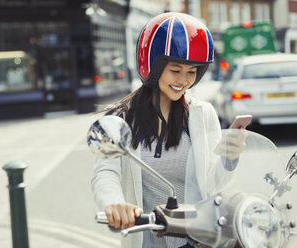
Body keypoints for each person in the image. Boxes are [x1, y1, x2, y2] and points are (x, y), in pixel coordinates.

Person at [91, 12, 244, 248]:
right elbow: (106, 173)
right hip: (146, 239)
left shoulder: (202, 115)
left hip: (197, 239)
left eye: (192, 71)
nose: (183, 80)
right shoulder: (121, 118)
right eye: (175, 69)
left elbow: (214, 185)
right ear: (153, 65)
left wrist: (229, 159)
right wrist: (113, 203)